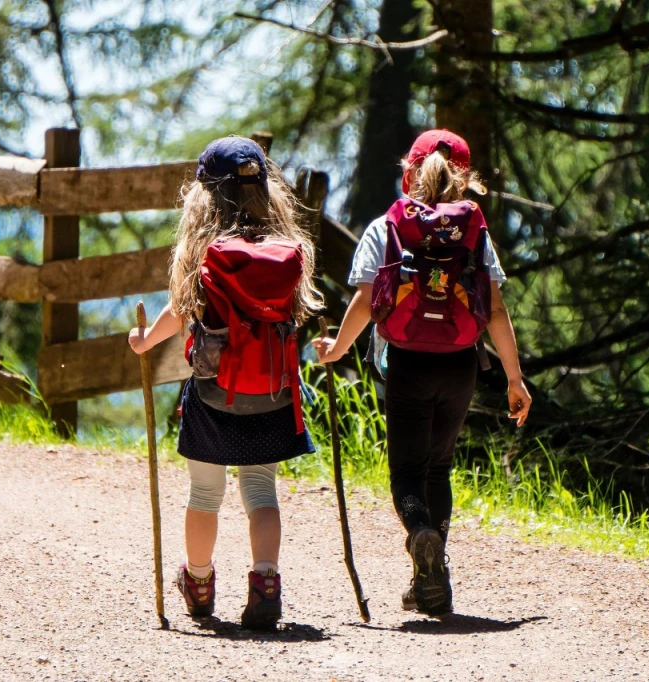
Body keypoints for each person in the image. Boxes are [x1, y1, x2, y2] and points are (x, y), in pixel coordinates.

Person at [313, 129, 532, 616]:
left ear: (409, 172)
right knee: (439, 467)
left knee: (406, 473)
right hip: (459, 364)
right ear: (466, 178)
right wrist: (515, 380)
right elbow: (494, 310)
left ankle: (421, 535)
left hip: (406, 362)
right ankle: (433, 579)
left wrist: (336, 350)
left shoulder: (387, 227)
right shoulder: (475, 233)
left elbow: (368, 301)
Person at [129, 136, 323, 629]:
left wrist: (145, 341)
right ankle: (266, 581)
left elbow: (182, 311)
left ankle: (197, 581)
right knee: (261, 491)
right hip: (274, 396)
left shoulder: (205, 251)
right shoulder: (289, 250)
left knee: (204, 493)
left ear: (205, 194)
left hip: (216, 395)